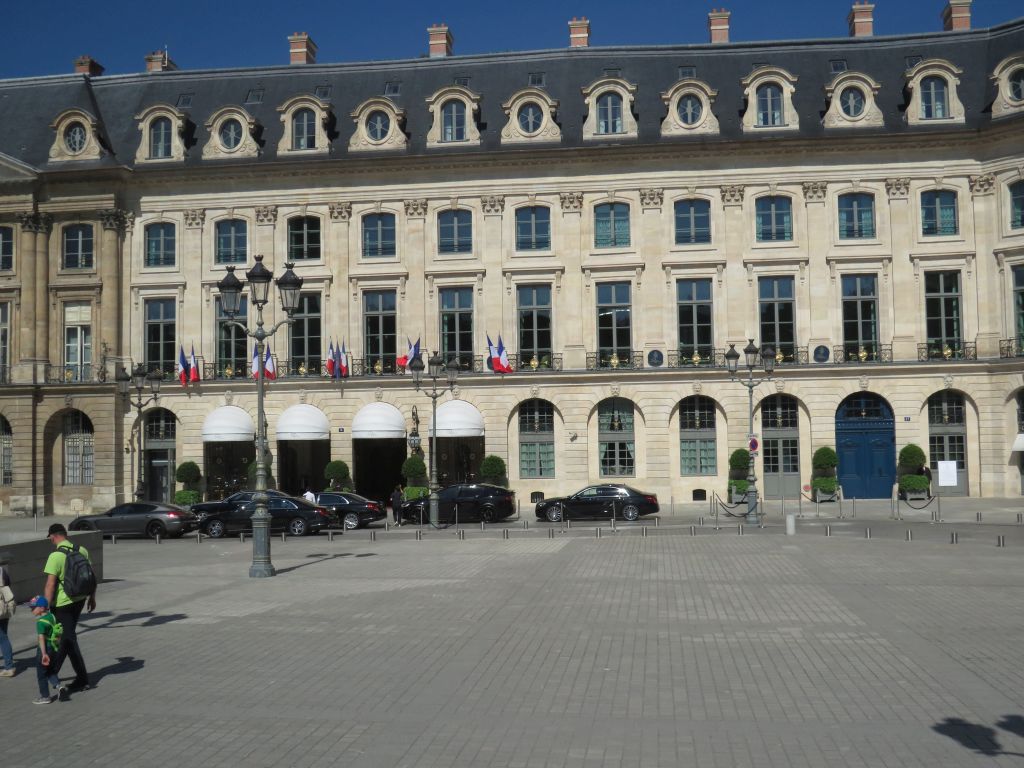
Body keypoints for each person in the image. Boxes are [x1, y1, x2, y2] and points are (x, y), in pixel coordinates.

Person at [43, 524, 95, 693]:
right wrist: (92, 597)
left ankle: (52, 671)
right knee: (69, 636)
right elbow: (90, 576)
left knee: (66, 638)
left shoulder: (55, 556)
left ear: (53, 536)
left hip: (63, 603)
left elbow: (50, 585)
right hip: (80, 599)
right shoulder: (82, 550)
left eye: (50, 537)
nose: (50, 540)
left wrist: (45, 607)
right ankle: (81, 679)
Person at [28, 595, 65, 704]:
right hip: (53, 648)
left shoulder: (40, 622)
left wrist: (44, 654)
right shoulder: (52, 616)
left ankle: (45, 697)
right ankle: (59, 686)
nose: (31, 610)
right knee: (50, 670)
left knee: (41, 674)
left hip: (44, 650)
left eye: (33, 608)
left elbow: (41, 638)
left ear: (42, 608)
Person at [0, 560, 13, 677]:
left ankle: (9, 667)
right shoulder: (2, 571)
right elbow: (8, 585)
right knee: (3, 637)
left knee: (2, 637)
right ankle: (9, 667)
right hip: (5, 608)